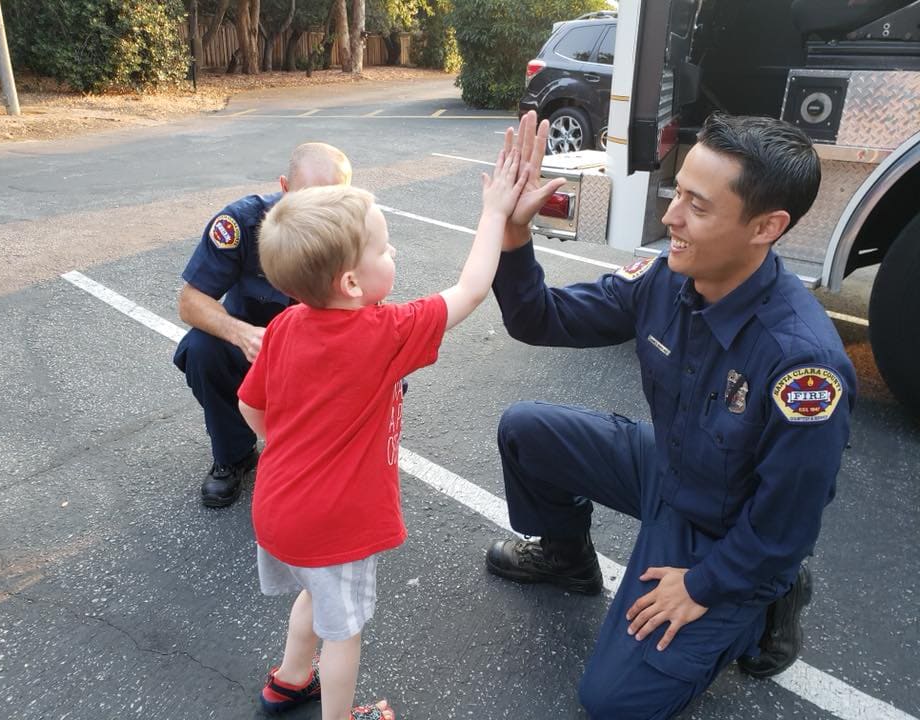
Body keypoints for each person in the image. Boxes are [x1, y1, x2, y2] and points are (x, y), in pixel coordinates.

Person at [484, 111, 856, 719]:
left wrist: (703, 585)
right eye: (677, 190)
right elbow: (540, 319)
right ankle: (567, 559)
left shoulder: (803, 365)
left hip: (725, 526)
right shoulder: (668, 277)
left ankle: (767, 602)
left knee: (613, 703)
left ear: (767, 226)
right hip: (672, 466)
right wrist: (514, 233)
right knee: (526, 430)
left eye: (698, 206)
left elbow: (786, 523)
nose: (670, 217)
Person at [236, 151, 556, 719]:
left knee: (316, 594)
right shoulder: (384, 332)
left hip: (278, 509)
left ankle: (288, 681)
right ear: (352, 281)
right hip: (335, 522)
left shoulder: (285, 324)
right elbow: (472, 288)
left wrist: (288, 444)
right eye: (384, 247)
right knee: (345, 631)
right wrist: (492, 212)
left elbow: (248, 405)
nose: (395, 252)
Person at [173, 143, 352, 508]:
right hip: (255, 352)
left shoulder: (355, 230)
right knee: (202, 349)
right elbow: (190, 301)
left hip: (319, 353)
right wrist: (243, 335)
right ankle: (235, 454)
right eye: (308, 199)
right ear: (284, 187)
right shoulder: (241, 223)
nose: (319, 215)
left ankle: (330, 454)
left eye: (331, 201)